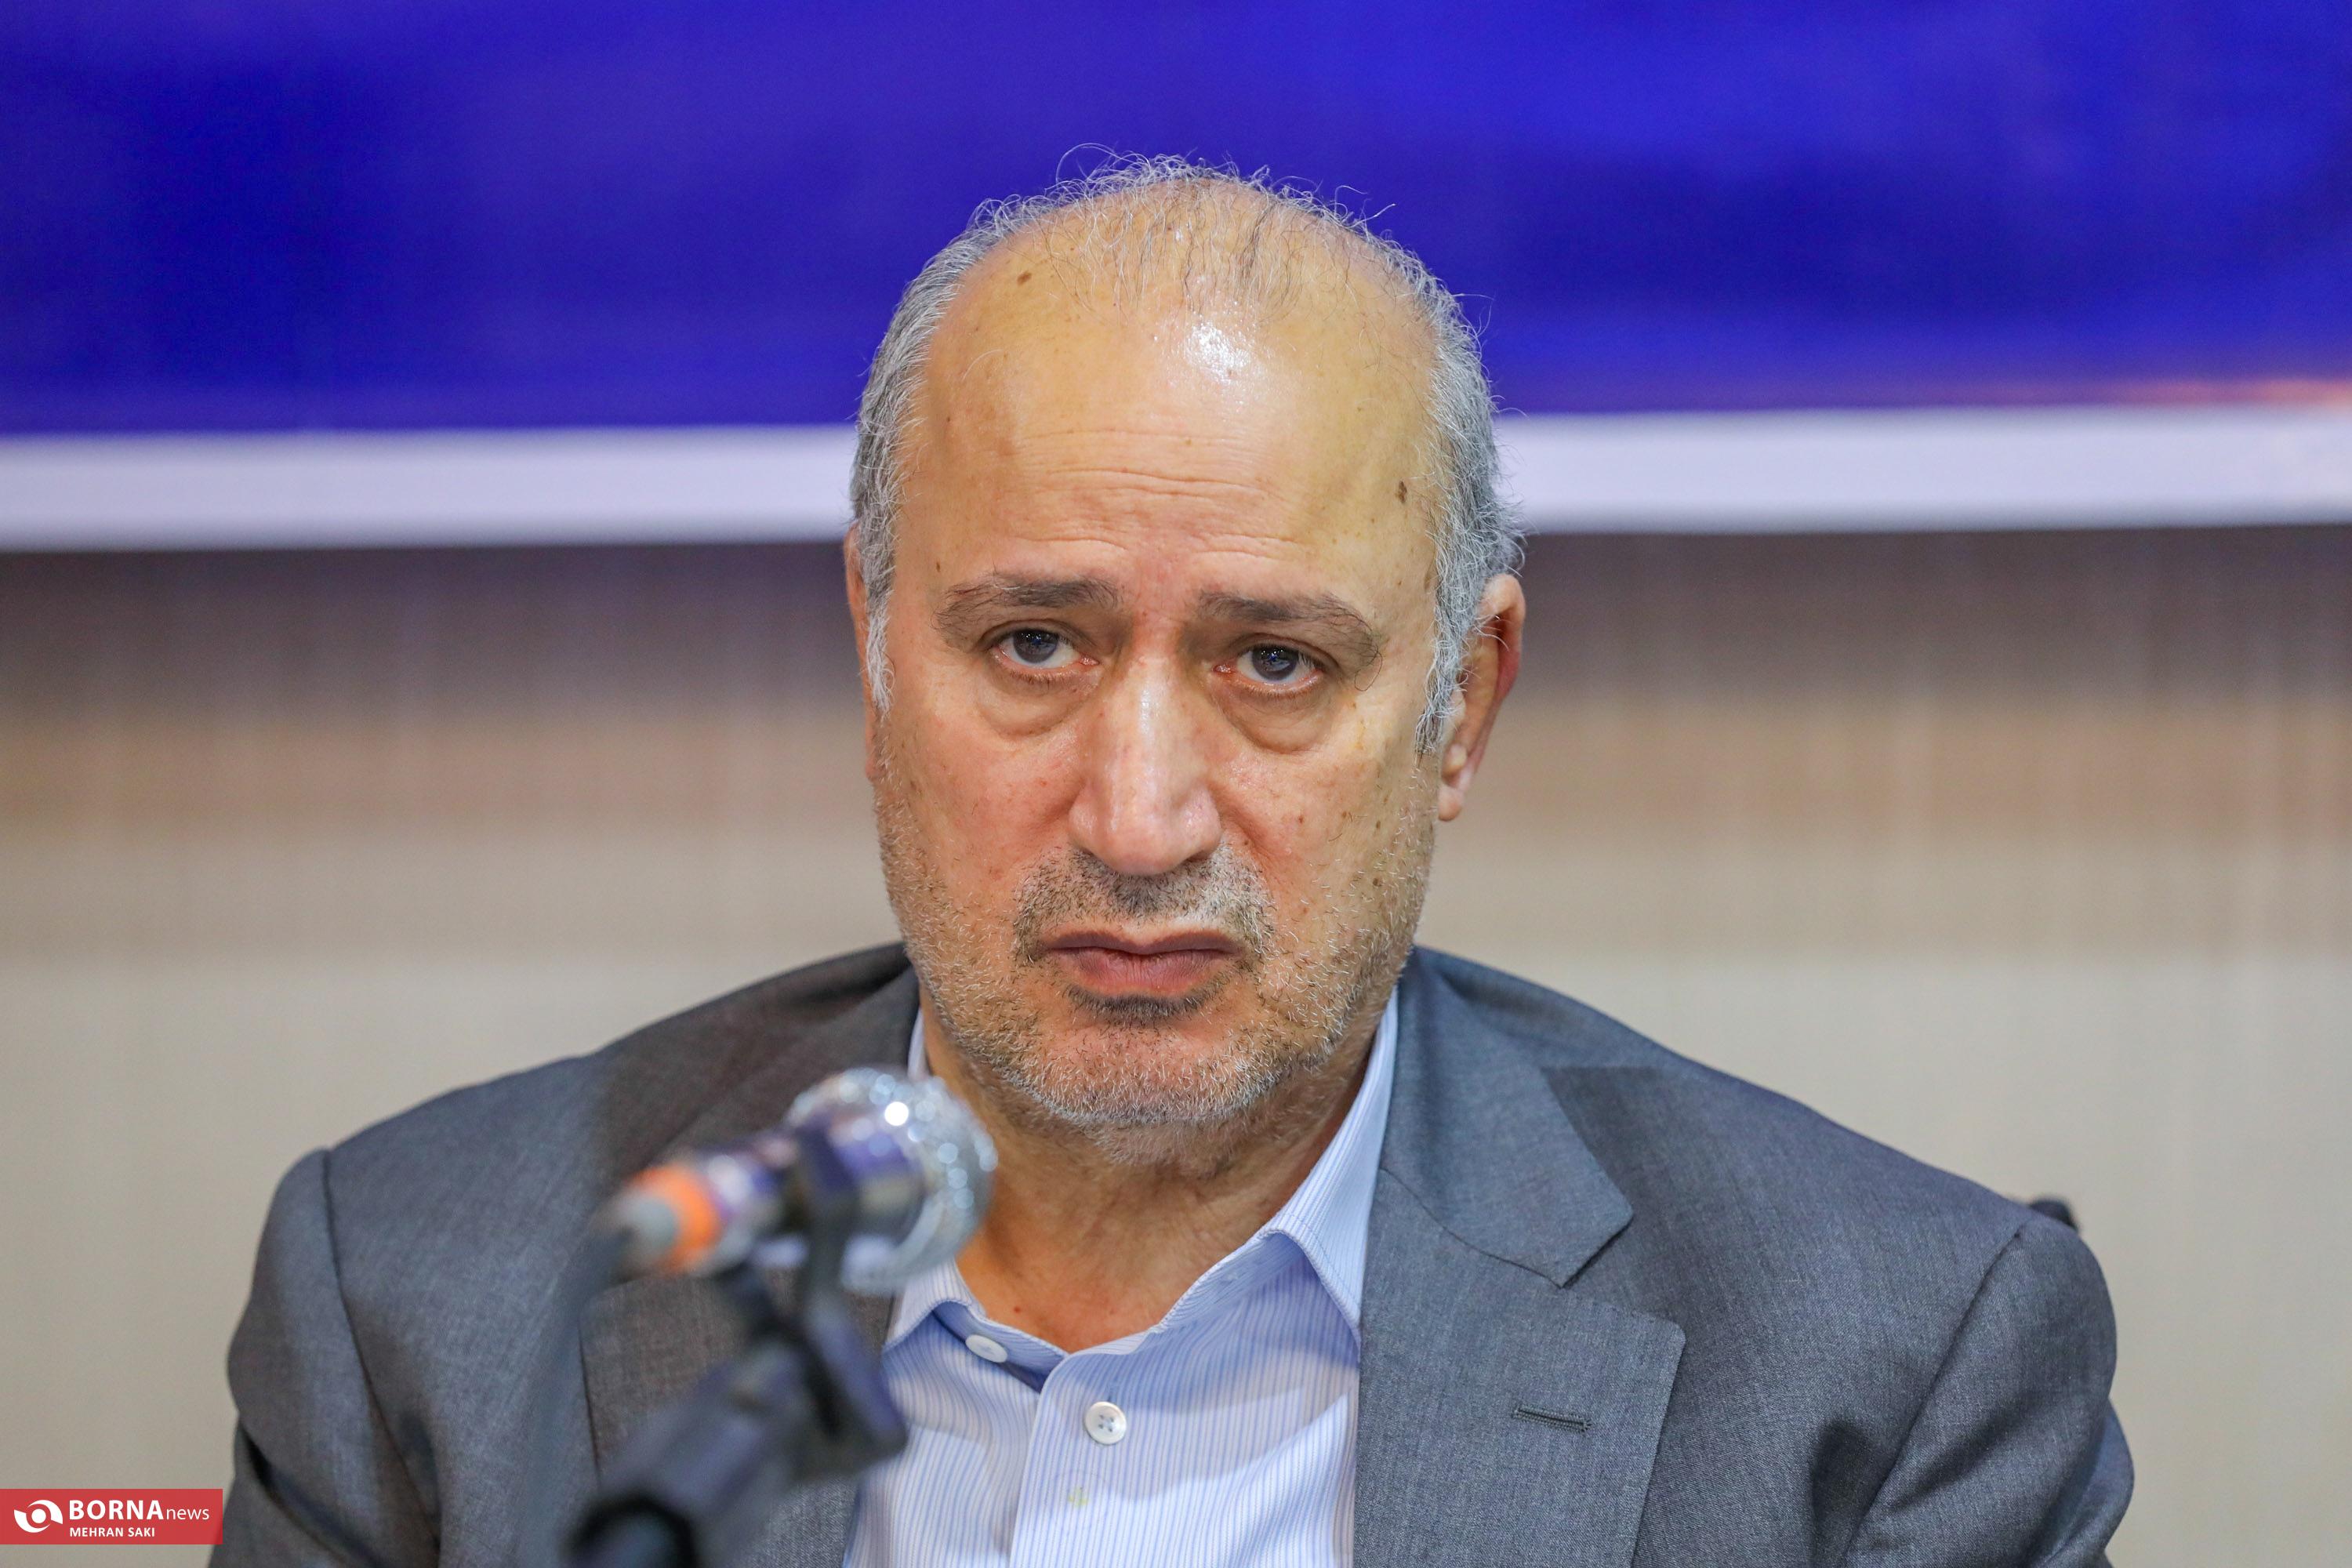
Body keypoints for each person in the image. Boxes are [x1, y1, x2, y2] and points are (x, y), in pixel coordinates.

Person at [214, 158, 2131, 1567]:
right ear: (875, 653)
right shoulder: (420, 1299)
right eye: (1033, 644)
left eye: (1273, 663)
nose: (1139, 823)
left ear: (1462, 706)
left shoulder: (1887, 1370)